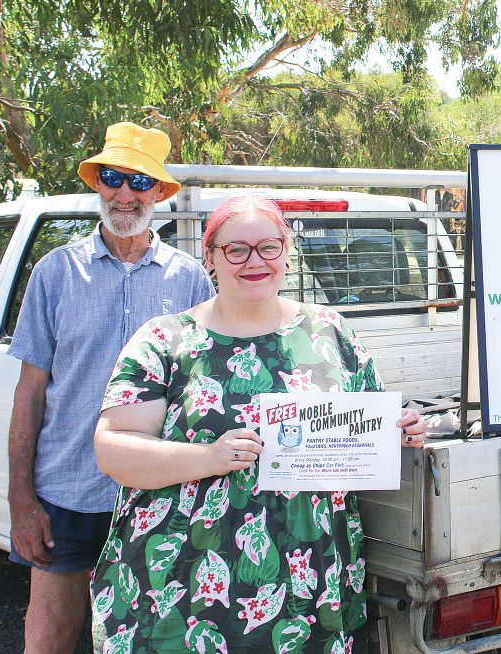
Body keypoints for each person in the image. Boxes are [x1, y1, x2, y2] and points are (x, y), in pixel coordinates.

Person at [90, 195, 427, 652]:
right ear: (210, 257)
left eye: (269, 247)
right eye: (236, 250)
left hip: (310, 588)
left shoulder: (330, 332)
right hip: (183, 589)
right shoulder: (165, 340)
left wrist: (401, 431)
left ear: (286, 252)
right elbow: (114, 449)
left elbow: (365, 434)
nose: (255, 261)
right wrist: (208, 457)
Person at [6, 122, 215, 653]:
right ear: (98, 183)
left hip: (160, 492)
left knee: (154, 636)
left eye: (139, 182)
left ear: (161, 193)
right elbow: (29, 393)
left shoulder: (190, 279)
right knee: (49, 634)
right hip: (68, 493)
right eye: (113, 177)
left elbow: (214, 382)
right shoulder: (56, 273)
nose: (125, 194)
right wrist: (21, 501)